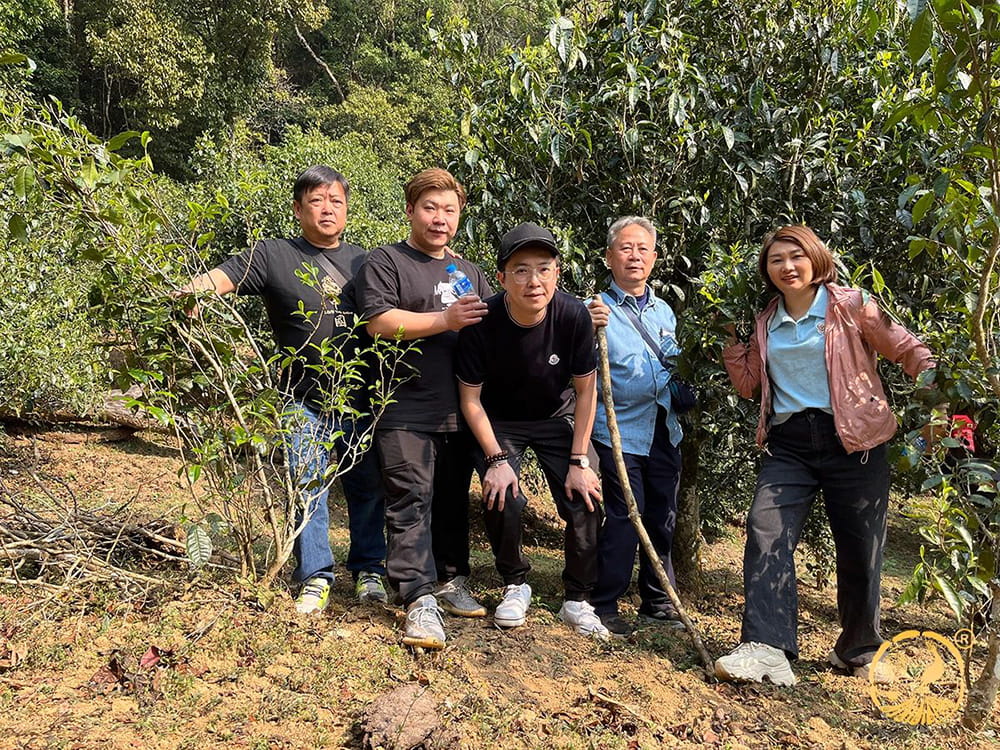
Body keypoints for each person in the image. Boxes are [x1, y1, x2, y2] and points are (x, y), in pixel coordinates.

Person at [715, 225, 935, 686]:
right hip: (789, 442)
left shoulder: (852, 306)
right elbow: (749, 385)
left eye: (796, 256)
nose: (787, 266)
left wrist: (937, 389)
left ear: (816, 259)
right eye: (776, 260)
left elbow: (907, 349)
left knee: (860, 548)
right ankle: (767, 646)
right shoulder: (765, 319)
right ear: (766, 270)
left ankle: (859, 649)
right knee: (765, 528)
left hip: (854, 442)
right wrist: (731, 341)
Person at [183, 165, 388, 614]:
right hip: (302, 398)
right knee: (307, 485)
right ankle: (315, 575)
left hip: (361, 396)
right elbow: (225, 275)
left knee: (367, 485)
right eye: (317, 200)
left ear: (348, 208)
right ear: (298, 209)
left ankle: (371, 569)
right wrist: (193, 292)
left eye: (336, 200)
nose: (327, 208)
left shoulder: (366, 262)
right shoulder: (274, 254)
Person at [355, 168, 492, 649]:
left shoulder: (468, 271)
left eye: (449, 210)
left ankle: (451, 580)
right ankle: (417, 598)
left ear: (460, 216)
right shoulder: (386, 262)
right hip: (404, 407)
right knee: (409, 501)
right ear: (411, 210)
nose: (440, 219)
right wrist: (445, 319)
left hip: (462, 409)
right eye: (430, 208)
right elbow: (380, 322)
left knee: (453, 502)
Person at [456, 222, 609, 639]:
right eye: (521, 270)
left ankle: (578, 598)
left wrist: (580, 459)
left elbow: (586, 391)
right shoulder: (482, 323)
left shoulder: (574, 315)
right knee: (503, 493)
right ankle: (514, 582)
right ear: (502, 277)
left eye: (544, 268)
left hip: (557, 417)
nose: (533, 280)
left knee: (587, 494)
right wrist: (495, 459)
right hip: (499, 419)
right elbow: (470, 400)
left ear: (557, 272)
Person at [586, 216, 685, 638]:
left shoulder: (664, 311)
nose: (634, 256)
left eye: (643, 249)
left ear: (655, 258)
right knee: (626, 515)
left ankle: (658, 599)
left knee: (663, 514)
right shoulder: (595, 310)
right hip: (617, 431)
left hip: (665, 428)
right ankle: (604, 601)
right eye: (625, 248)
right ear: (609, 257)